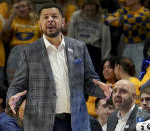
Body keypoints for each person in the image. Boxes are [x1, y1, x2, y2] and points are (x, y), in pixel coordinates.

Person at [7, 3, 112, 131]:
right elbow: (17, 85)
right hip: (42, 123)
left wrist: (102, 90)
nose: (50, 20)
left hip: (75, 121)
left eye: (54, 16)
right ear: (39, 24)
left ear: (62, 22)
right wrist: (11, 99)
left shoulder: (79, 47)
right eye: (45, 17)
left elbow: (90, 81)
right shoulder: (29, 51)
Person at [104, 0, 150, 77]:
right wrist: (122, 21)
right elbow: (106, 19)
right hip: (127, 45)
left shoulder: (146, 11)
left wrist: (120, 20)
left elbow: (137, 19)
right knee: (124, 70)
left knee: (139, 71)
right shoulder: (124, 10)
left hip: (141, 46)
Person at [68, 0, 111, 76]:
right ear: (82, 8)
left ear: (97, 9)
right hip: (79, 48)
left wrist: (105, 59)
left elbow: (106, 40)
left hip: (94, 49)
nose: (89, 13)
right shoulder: (76, 16)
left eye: (92, 11)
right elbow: (70, 35)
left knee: (93, 77)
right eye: (87, 10)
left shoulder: (102, 18)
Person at [3, 0, 42, 83]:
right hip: (16, 50)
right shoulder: (14, 20)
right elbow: (5, 29)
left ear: (30, 8)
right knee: (12, 79)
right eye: (18, 7)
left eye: (23, 6)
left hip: (33, 50)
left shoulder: (38, 21)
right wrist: (13, 14)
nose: (20, 9)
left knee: (34, 79)